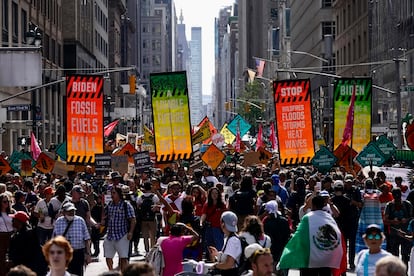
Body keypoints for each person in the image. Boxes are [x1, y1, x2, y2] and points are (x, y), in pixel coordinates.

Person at [278, 195, 343, 276]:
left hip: (311, 259)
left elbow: (299, 236)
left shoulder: (308, 218)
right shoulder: (329, 218)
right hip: (327, 259)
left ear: (313, 205)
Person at [53, 202, 91, 276]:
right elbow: (54, 239)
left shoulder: (80, 220)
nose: (71, 213)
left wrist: (88, 254)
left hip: (78, 253)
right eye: (69, 211)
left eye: (73, 211)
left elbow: (87, 239)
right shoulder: (59, 221)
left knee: (78, 273)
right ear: (63, 212)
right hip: (64, 254)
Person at [103, 186, 136, 272]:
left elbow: (132, 219)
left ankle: (123, 273)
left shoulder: (126, 205)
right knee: (108, 256)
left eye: (114, 193)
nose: (112, 195)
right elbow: (105, 217)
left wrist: (130, 232)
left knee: (123, 258)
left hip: (122, 235)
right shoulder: (109, 204)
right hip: (110, 235)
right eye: (111, 193)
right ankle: (111, 272)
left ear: (119, 194)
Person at [8, 211, 47, 275]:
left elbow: (25, 254)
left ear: (19, 222)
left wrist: (13, 261)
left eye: (14, 219)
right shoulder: (23, 233)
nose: (12, 221)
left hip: (27, 270)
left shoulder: (25, 235)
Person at [384, 187, 413, 266]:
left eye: (398, 196)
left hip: (405, 234)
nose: (397, 199)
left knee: (405, 256)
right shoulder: (389, 205)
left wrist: (406, 220)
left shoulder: (407, 204)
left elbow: (412, 217)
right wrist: (393, 221)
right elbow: (385, 220)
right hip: (394, 234)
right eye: (395, 197)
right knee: (394, 256)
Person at [208, 211, 242, 276]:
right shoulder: (230, 238)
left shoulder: (232, 240)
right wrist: (217, 254)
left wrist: (215, 266)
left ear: (223, 224)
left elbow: (229, 264)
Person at [262, 200, 290, 274]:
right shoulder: (284, 221)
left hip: (272, 253)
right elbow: (287, 236)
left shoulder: (267, 222)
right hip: (283, 252)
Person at [200, 187, 227, 259]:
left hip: (218, 227)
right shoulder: (207, 204)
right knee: (208, 244)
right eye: (213, 193)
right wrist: (201, 222)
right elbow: (204, 214)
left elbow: (225, 216)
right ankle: (209, 258)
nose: (214, 195)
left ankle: (219, 258)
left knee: (219, 244)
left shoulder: (222, 205)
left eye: (216, 193)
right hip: (209, 227)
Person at [137, 181, 160, 253]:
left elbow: (138, 206)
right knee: (153, 235)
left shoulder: (140, 196)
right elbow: (158, 205)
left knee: (145, 236)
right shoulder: (154, 196)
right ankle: (152, 250)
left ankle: (146, 250)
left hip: (143, 219)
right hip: (152, 218)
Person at [0, 193, 15, 276]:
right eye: (4, 201)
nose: (6, 203)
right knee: (2, 258)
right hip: (1, 237)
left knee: (11, 257)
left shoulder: (12, 212)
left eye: (8, 201)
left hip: (11, 236)